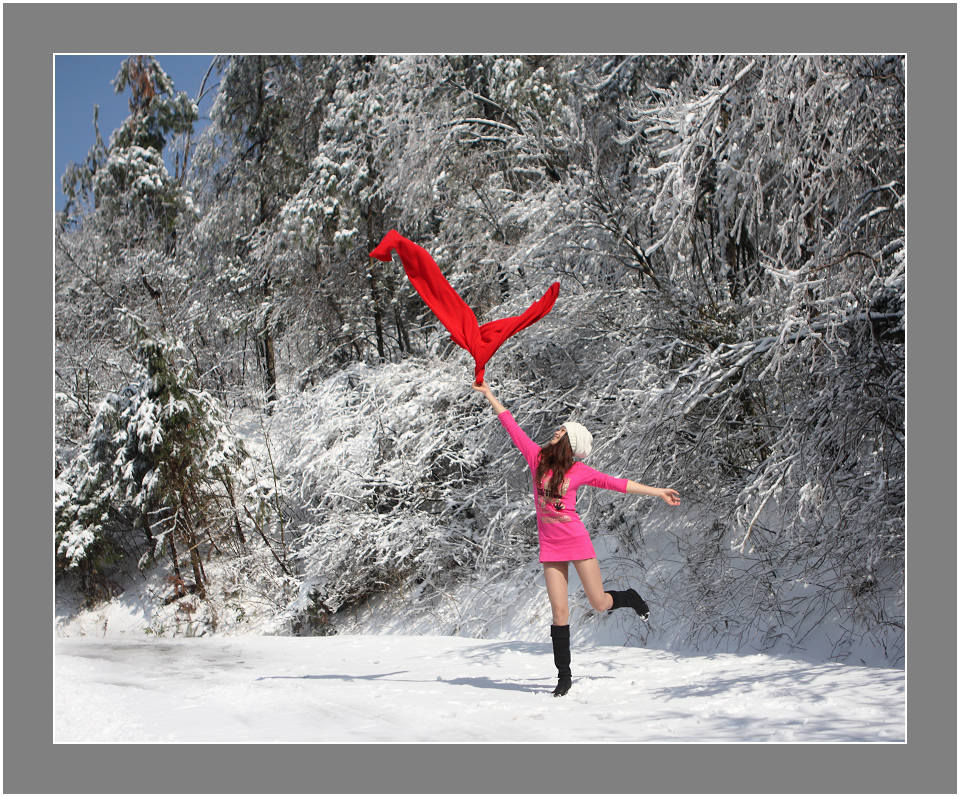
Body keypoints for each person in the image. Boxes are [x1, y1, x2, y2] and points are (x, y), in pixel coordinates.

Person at [473, 379, 681, 697]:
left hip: (577, 540)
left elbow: (618, 484)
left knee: (598, 603)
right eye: (557, 430)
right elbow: (511, 426)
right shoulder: (536, 458)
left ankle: (629, 597)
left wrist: (658, 492)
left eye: (561, 432)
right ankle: (564, 676)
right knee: (559, 612)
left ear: (571, 443)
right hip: (550, 545)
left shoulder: (579, 471)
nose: (554, 432)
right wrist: (490, 395)